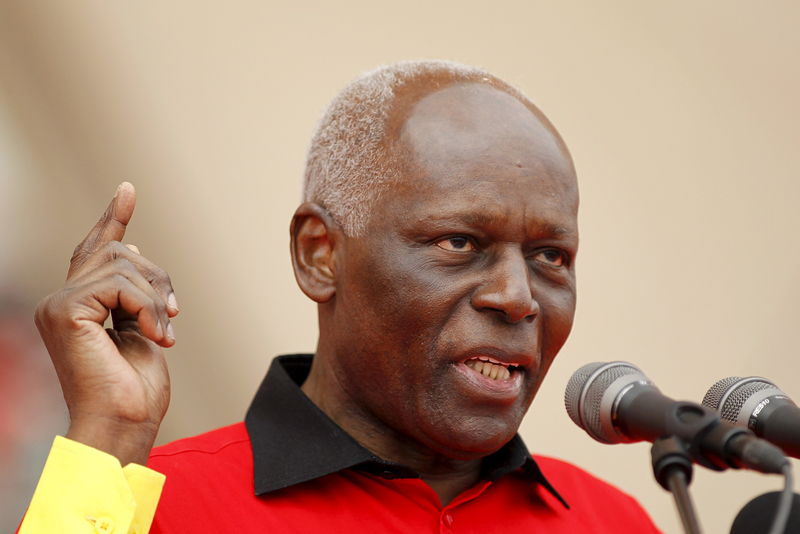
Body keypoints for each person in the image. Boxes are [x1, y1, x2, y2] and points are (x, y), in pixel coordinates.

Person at [20, 60, 661, 532]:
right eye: (461, 243)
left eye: (551, 256)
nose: (517, 298)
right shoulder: (151, 504)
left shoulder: (614, 521)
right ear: (319, 254)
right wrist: (110, 429)